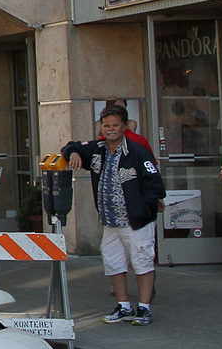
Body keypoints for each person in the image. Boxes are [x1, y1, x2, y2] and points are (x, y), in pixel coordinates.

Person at [63, 103, 167, 325]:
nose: (111, 129)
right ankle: (124, 306)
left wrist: (144, 207)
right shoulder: (97, 149)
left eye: (115, 125)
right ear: (101, 127)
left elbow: (155, 184)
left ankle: (145, 308)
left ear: (124, 127)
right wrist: (73, 153)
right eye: (107, 125)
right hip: (110, 222)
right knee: (114, 264)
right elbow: (70, 146)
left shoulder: (138, 152)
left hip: (136, 222)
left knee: (142, 262)